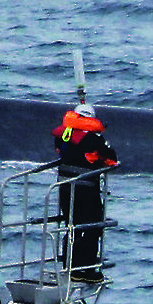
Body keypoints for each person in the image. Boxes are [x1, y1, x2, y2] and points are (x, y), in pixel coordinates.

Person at [53, 103, 117, 281]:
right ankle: (84, 268)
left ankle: (69, 265)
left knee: (72, 226)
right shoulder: (94, 139)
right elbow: (111, 160)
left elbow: (60, 150)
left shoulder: (64, 134)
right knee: (93, 226)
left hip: (65, 187)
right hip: (86, 189)